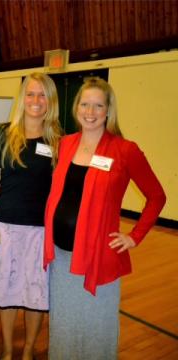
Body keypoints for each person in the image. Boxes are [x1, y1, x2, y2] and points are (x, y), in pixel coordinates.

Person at [43, 77, 166, 359]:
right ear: (76, 108)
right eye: (85, 104)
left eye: (98, 105)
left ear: (108, 110)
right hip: (62, 257)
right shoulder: (65, 145)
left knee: (97, 326)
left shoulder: (125, 150)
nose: (90, 111)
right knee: (64, 325)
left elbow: (157, 197)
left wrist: (134, 236)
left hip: (98, 257)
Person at [0, 72, 62, 360]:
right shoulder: (2, 133)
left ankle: (27, 352)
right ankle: (6, 351)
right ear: (22, 98)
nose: (36, 101)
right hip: (5, 227)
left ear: (50, 100)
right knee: (7, 293)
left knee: (35, 296)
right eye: (31, 94)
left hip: (41, 232)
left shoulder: (59, 141)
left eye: (42, 95)